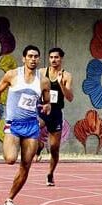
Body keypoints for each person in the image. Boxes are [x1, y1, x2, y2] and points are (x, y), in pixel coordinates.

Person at [0, 45, 51, 205]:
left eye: (36, 56)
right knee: (10, 159)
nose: (33, 59)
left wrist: (47, 106)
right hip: (14, 125)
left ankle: (9, 199)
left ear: (38, 59)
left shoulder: (43, 80)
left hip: (32, 126)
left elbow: (47, 101)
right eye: (30, 56)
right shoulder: (12, 75)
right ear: (24, 58)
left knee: (26, 165)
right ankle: (40, 146)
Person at [34, 47, 73, 187]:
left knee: (54, 147)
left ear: (61, 58)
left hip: (56, 112)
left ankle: (50, 174)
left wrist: (62, 84)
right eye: (51, 57)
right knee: (35, 128)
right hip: (42, 108)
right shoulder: (41, 72)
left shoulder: (66, 75)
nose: (53, 60)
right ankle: (38, 146)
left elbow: (70, 97)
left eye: (56, 57)